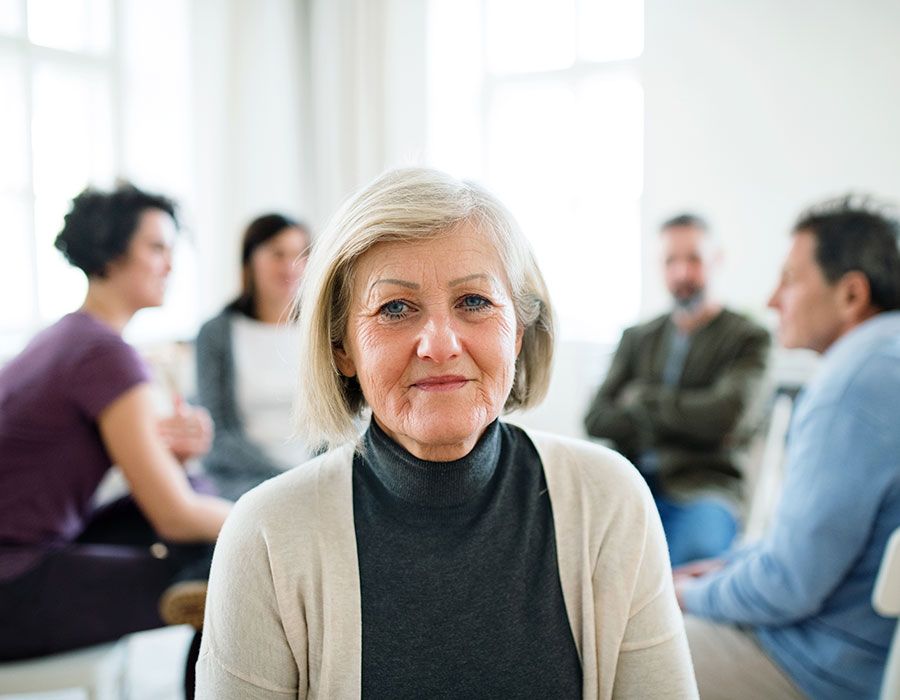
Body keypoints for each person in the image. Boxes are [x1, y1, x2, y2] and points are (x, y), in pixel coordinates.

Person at [196, 168, 698, 699]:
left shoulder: (610, 502)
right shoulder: (265, 535)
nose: (440, 344)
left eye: (474, 302)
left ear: (519, 332)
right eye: (395, 308)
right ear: (342, 347)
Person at [0, 185, 232, 698]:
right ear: (110, 252)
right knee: (230, 573)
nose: (170, 264)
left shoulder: (67, 336)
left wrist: (179, 461)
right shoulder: (101, 353)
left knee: (198, 500)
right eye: (156, 248)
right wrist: (272, 523)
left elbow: (165, 485)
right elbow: (174, 514)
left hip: (31, 553)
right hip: (12, 584)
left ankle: (212, 576)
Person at [675, 196, 900, 700]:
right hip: (866, 651)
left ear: (851, 294)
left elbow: (787, 584)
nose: (774, 298)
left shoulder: (853, 381)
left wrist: (689, 593)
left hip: (820, 670)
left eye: (791, 279)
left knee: (620, 648)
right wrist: (733, 565)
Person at [584, 214, 770, 566]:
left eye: (694, 259)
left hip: (706, 489)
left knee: (678, 572)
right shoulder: (637, 338)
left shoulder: (748, 338)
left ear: (717, 260)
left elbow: (726, 417)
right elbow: (596, 418)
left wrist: (642, 400)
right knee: (581, 562)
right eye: (671, 261)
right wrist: (692, 417)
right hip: (629, 482)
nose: (682, 273)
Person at [195, 213, 313, 501]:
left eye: (300, 255)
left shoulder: (322, 329)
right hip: (242, 477)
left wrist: (314, 472)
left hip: (316, 472)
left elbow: (340, 421)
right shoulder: (216, 333)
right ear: (250, 260)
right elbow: (218, 434)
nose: (290, 266)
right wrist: (284, 476)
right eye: (277, 254)